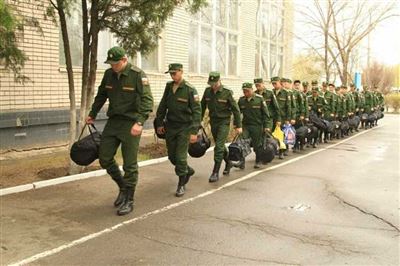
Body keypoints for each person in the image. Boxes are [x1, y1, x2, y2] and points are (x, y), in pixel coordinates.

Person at [86, 46, 153, 216]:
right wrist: (92, 114)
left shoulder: (137, 75)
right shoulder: (109, 74)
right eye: (111, 64)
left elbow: (147, 100)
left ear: (124, 60)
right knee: (104, 158)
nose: (113, 67)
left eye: (116, 63)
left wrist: (140, 122)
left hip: (131, 123)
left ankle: (129, 200)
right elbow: (101, 95)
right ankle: (123, 186)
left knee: (130, 164)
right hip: (114, 122)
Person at [155, 63, 201, 197]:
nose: (172, 76)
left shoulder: (190, 90)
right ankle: (187, 170)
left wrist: (194, 131)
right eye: (171, 73)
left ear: (181, 72)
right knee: (172, 157)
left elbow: (197, 112)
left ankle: (181, 184)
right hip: (171, 126)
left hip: (185, 127)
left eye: (174, 73)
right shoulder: (169, 87)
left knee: (180, 158)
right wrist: (159, 123)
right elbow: (163, 105)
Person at [201, 71, 242, 182]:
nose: (213, 85)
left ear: (219, 81)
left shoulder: (227, 93)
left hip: (224, 122)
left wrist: (238, 125)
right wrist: (198, 121)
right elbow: (202, 107)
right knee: (221, 145)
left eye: (214, 83)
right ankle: (228, 162)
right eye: (211, 83)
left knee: (218, 147)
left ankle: (215, 172)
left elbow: (236, 110)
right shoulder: (207, 91)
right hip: (213, 122)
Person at [238, 82, 272, 169]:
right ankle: (242, 161)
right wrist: (237, 125)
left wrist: (267, 126)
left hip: (257, 125)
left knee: (257, 145)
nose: (246, 93)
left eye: (248, 91)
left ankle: (258, 160)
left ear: (252, 90)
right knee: (243, 143)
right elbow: (237, 113)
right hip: (246, 125)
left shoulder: (259, 99)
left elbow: (266, 114)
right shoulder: (241, 100)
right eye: (244, 91)